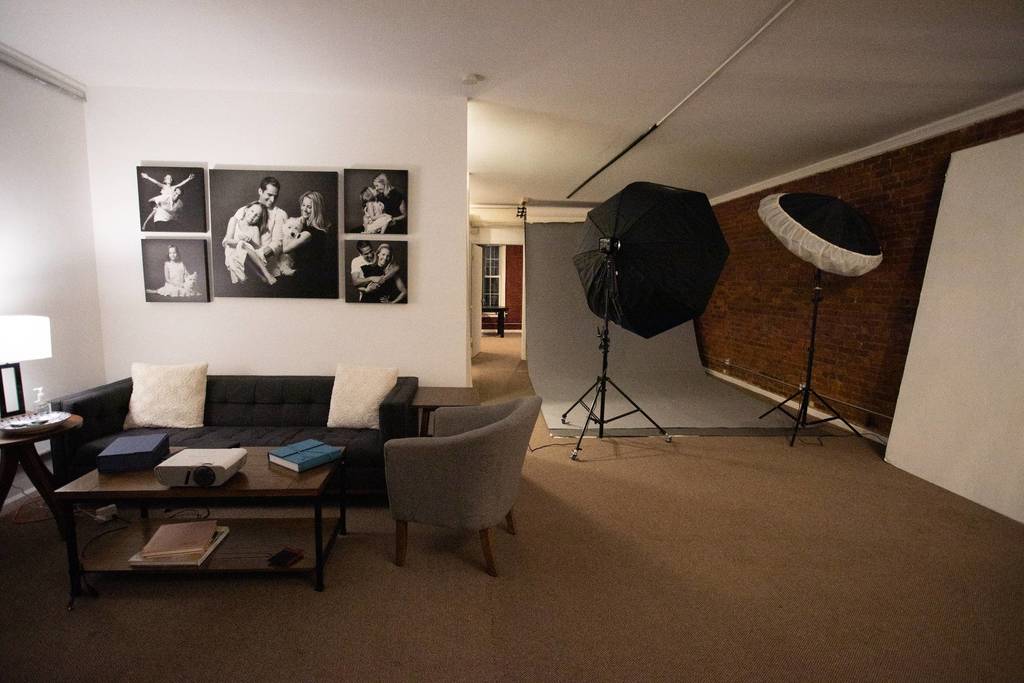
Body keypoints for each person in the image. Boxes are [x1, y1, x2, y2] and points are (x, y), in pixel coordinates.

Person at [228, 176, 288, 276]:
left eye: (275, 196)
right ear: (260, 191)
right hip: (242, 267)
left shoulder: (280, 214)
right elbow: (230, 237)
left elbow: (277, 244)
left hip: (269, 269)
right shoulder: (243, 210)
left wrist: (259, 257)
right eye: (269, 195)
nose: (272, 199)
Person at [222, 201, 277, 285]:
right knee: (242, 245)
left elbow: (257, 248)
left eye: (257, 215)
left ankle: (260, 275)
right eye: (252, 211)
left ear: (259, 219)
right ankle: (265, 274)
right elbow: (228, 240)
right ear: (246, 209)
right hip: (232, 248)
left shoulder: (254, 229)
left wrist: (250, 241)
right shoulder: (234, 220)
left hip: (249, 255)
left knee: (246, 247)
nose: (253, 215)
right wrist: (241, 242)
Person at [280, 191, 331, 276]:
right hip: (306, 274)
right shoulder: (308, 228)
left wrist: (292, 272)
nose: (304, 209)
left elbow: (285, 249)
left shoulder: (308, 233)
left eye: (309, 207)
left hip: (304, 276)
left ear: (316, 210)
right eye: (303, 205)